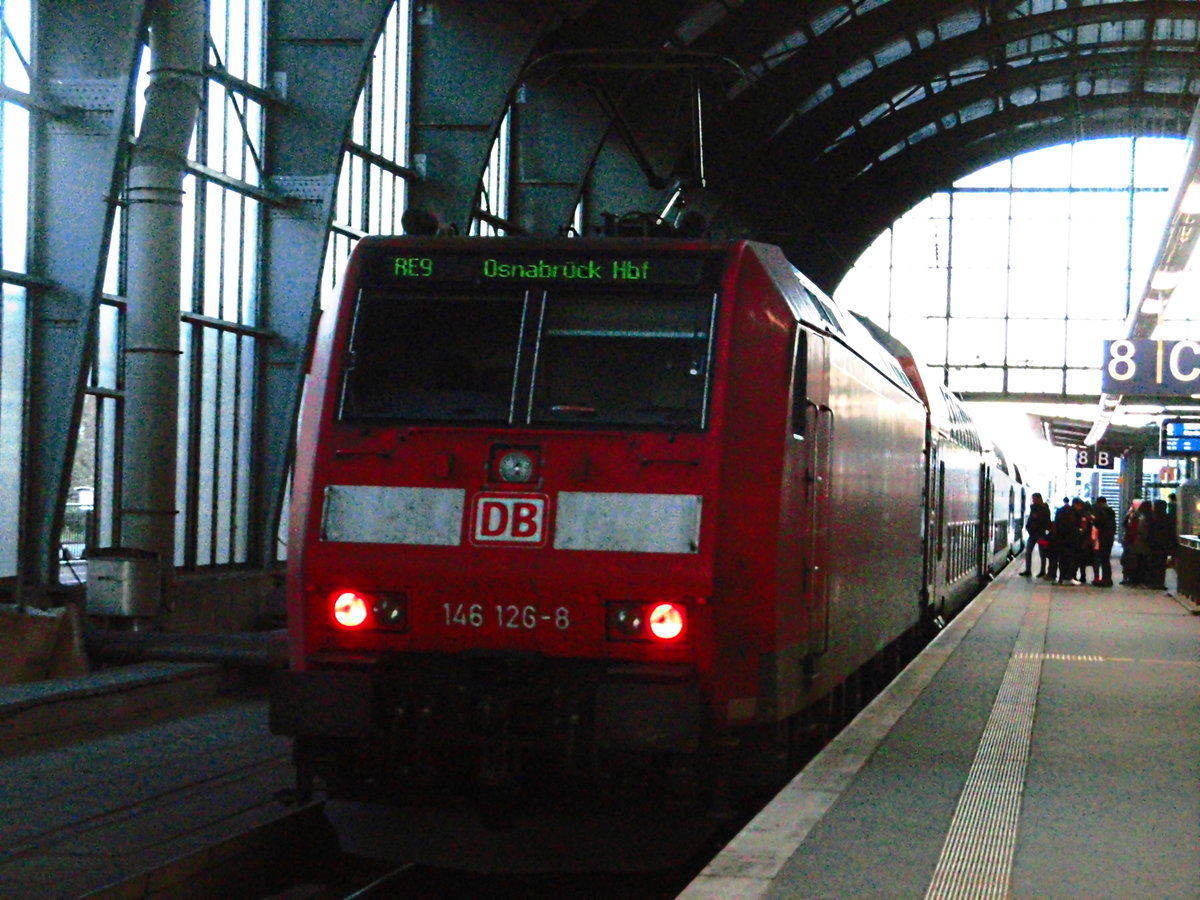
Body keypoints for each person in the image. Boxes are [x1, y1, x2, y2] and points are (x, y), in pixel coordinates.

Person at [1145, 498, 1178, 590]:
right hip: (1164, 544)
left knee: (1153, 563)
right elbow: (1172, 532)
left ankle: (1152, 582)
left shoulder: (1151, 518)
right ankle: (1160, 582)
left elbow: (1148, 532)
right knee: (1161, 564)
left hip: (1152, 544)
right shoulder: (1168, 518)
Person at [1019, 493, 1051, 577]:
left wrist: (1036, 518)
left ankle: (1042, 571)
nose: (1032, 500)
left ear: (1038, 499)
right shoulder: (1034, 508)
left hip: (1041, 535)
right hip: (1033, 534)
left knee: (1042, 553)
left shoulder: (1044, 508)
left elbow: (1045, 521)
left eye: (1034, 498)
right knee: (1029, 552)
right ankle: (1028, 570)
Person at [1091, 496, 1116, 586]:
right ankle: (1107, 578)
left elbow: (1098, 524)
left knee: (1102, 559)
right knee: (1105, 559)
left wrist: (1094, 520)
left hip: (1102, 538)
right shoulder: (1110, 512)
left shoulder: (1101, 512)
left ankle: (1104, 579)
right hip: (1109, 538)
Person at [1053, 497, 1080, 585]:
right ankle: (1069, 577)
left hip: (1060, 540)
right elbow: (1072, 527)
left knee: (1062, 559)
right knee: (1070, 559)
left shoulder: (1061, 511)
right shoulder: (1072, 513)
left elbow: (1057, 525)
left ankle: (1061, 578)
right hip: (1069, 540)